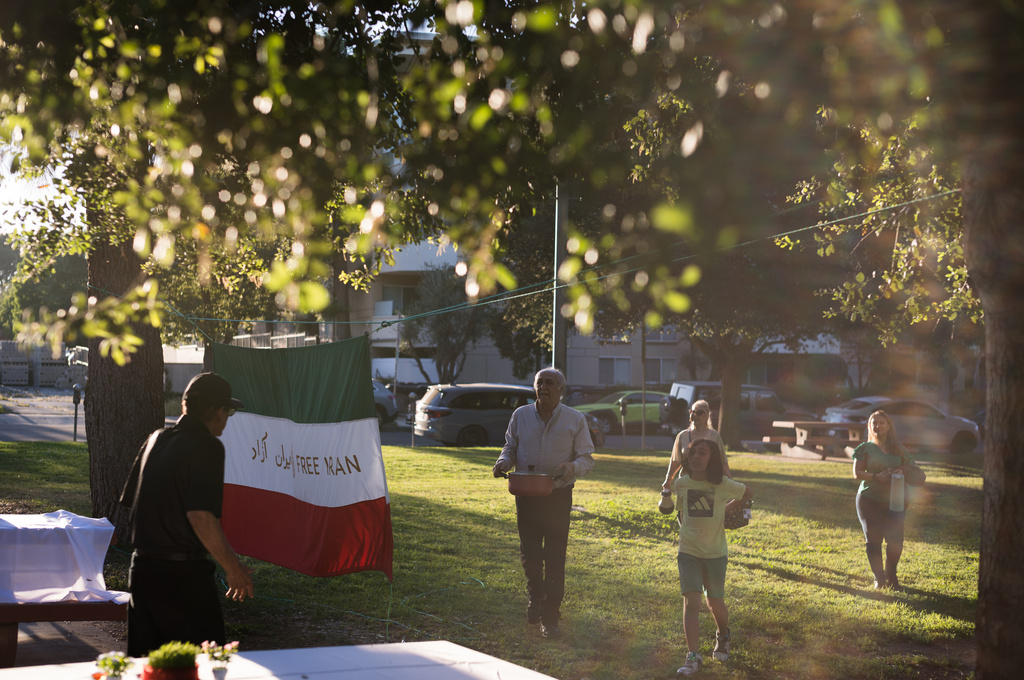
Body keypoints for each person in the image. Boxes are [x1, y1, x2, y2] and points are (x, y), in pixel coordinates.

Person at [120, 372, 255, 656]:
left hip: (143, 572)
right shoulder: (207, 446)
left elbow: (133, 502)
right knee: (201, 665)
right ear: (217, 411)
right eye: (228, 411)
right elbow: (201, 516)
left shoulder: (156, 439)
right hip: (182, 581)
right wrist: (232, 568)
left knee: (147, 666)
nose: (228, 418)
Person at [492, 367, 595, 639]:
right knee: (530, 554)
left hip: (558, 497)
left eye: (550, 383)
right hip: (526, 495)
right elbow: (510, 447)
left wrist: (571, 467)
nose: (544, 388)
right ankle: (535, 595)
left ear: (561, 389)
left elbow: (587, 458)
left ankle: (550, 616)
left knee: (554, 557)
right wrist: (503, 461)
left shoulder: (575, 419)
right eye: (539, 383)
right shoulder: (520, 416)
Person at [672, 438, 753, 676]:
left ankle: (723, 634)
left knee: (714, 603)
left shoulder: (722, 484)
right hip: (688, 551)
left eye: (703, 453)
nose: (696, 456)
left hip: (716, 554)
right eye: (693, 452)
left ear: (712, 458)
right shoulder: (682, 483)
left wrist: (725, 509)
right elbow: (682, 512)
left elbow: (748, 493)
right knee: (692, 602)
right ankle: (693, 657)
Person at [851, 409, 915, 590]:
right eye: (874, 423)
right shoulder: (865, 448)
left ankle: (892, 577)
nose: (877, 425)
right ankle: (879, 580)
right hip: (869, 499)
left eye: (881, 422)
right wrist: (876, 477)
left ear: (889, 426)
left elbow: (911, 466)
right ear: (870, 427)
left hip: (895, 500)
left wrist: (902, 469)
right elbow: (857, 474)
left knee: (895, 540)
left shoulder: (898, 449)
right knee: (874, 539)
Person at [662, 400, 731, 494]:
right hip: (686, 483)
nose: (694, 415)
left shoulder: (714, 436)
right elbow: (675, 461)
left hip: (709, 483)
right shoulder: (682, 436)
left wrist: (729, 482)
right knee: (685, 508)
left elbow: (722, 462)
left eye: (699, 412)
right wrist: (668, 480)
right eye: (692, 411)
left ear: (706, 416)